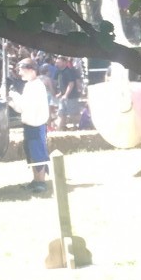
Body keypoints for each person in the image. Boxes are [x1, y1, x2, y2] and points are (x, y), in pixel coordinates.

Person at [9, 58, 51, 193]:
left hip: (36, 124)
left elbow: (25, 106)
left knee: (38, 153)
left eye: (21, 69)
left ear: (31, 69)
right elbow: (22, 108)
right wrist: (12, 100)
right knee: (31, 153)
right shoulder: (29, 85)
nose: (19, 73)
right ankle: (36, 180)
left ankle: (41, 182)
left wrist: (14, 96)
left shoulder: (37, 85)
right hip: (29, 124)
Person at [53, 55, 82, 130]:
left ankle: (80, 126)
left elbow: (71, 84)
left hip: (71, 96)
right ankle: (60, 129)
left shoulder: (69, 71)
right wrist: (60, 94)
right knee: (61, 113)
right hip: (63, 96)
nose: (57, 63)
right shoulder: (59, 72)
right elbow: (63, 85)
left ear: (64, 62)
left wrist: (66, 94)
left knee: (74, 114)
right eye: (56, 61)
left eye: (59, 62)